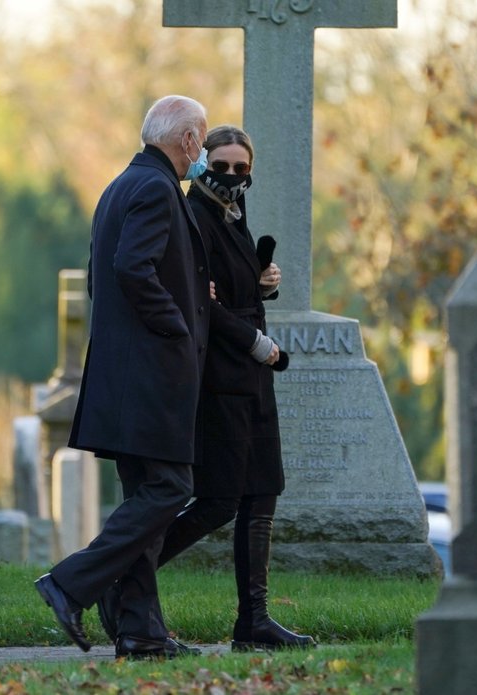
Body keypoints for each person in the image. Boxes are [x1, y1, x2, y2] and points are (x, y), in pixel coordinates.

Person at [98, 125, 315, 651]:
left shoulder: (231, 214)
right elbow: (202, 302)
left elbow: (231, 286)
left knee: (263, 491)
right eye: (222, 165)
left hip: (254, 376)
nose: (233, 176)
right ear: (203, 162)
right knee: (218, 499)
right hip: (222, 371)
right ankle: (118, 577)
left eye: (242, 168)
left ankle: (255, 620)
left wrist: (266, 282)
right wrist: (256, 343)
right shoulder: (192, 213)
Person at [34, 95, 212, 660]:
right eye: (201, 141)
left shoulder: (121, 186)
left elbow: (98, 277)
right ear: (185, 140)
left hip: (123, 372)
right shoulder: (157, 189)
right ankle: (71, 583)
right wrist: (177, 327)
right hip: (150, 374)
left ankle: (141, 631)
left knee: (145, 500)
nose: (202, 152)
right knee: (171, 488)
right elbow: (130, 269)